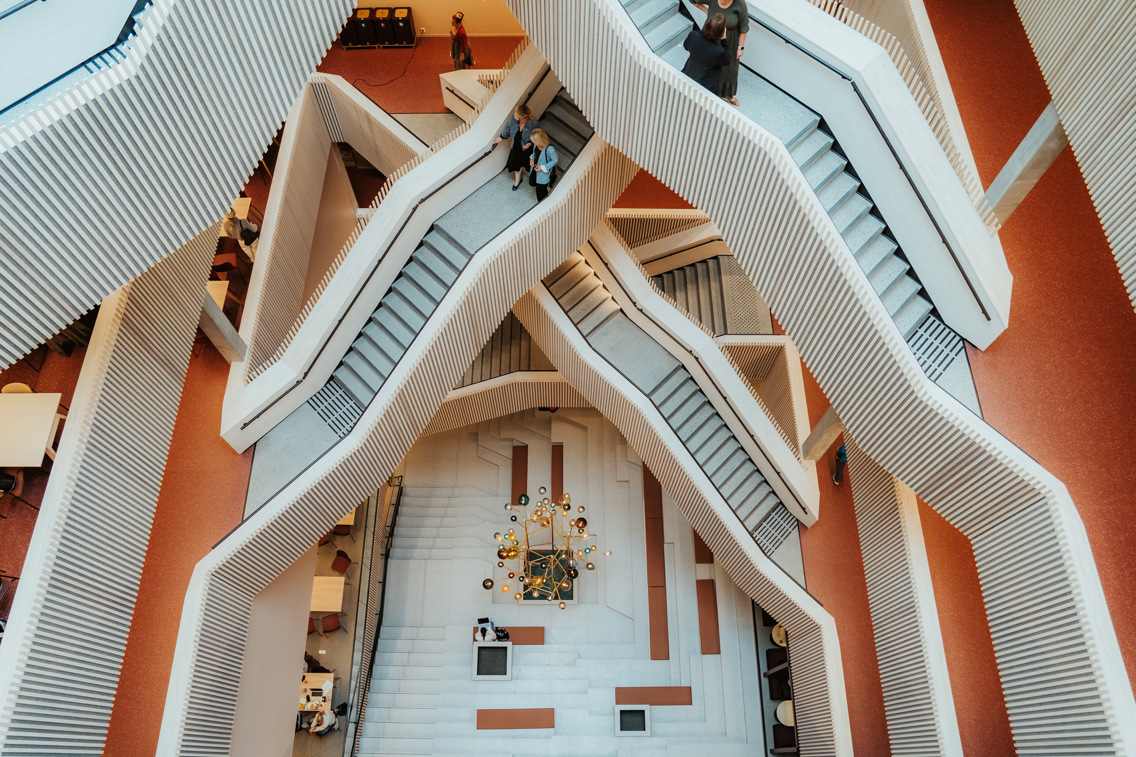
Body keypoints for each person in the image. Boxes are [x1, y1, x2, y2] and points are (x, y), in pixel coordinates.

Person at [693, 0, 749, 105]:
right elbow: (693, 1)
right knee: (708, 66)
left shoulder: (740, 3)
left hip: (730, 40)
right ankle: (706, 90)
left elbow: (744, 27)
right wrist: (706, 11)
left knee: (730, 69)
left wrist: (741, 47)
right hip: (710, 37)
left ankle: (727, 94)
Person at [680, 14, 730, 94]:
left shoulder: (694, 35)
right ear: (721, 33)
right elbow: (727, 60)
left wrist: (705, 31)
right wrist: (724, 39)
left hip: (688, 74)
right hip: (706, 86)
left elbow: (686, 46)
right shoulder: (719, 51)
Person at [493, 105, 539, 190]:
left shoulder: (533, 122)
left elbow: (537, 136)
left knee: (529, 165)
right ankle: (517, 181)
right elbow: (508, 128)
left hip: (526, 149)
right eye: (522, 118)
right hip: (516, 147)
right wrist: (502, 137)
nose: (524, 120)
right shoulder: (513, 119)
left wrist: (530, 143)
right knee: (516, 165)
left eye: (526, 117)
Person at [528, 129, 559, 203]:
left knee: (541, 192)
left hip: (542, 173)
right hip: (535, 169)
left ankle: (542, 203)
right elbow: (534, 154)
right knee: (533, 182)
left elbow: (555, 160)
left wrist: (542, 168)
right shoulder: (536, 144)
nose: (534, 142)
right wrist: (531, 159)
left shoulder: (550, 149)